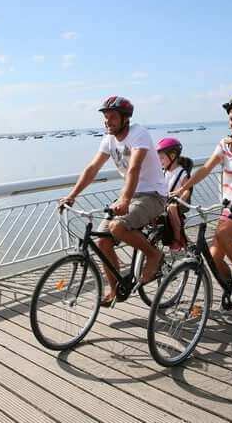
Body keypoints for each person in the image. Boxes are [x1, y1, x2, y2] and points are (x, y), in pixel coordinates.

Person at [60, 96, 167, 306]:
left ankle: (154, 255)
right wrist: (72, 195)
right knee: (102, 241)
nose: (108, 121)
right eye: (105, 117)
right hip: (130, 195)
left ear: (125, 119)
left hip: (153, 194)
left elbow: (134, 168)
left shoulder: (139, 134)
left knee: (117, 226)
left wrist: (125, 199)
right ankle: (115, 289)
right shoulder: (109, 140)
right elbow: (92, 169)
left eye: (112, 117)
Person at [172, 96, 232, 303]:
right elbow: (207, 168)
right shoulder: (224, 145)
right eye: (231, 119)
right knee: (214, 258)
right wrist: (182, 188)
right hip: (229, 207)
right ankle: (231, 289)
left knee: (223, 233)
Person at [156, 137, 192, 250]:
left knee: (172, 208)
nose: (159, 161)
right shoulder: (164, 171)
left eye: (161, 158)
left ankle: (176, 238)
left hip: (179, 203)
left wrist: (182, 198)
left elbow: (187, 189)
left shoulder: (181, 172)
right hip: (166, 201)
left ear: (172, 156)